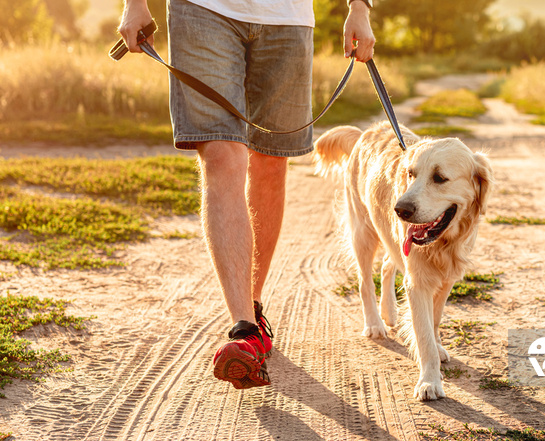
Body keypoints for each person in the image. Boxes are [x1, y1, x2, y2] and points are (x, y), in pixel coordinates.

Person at [118, 0, 375, 389]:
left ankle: (252, 313)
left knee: (271, 162)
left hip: (287, 19)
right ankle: (244, 328)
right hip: (202, 11)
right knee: (221, 156)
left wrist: (360, 7)